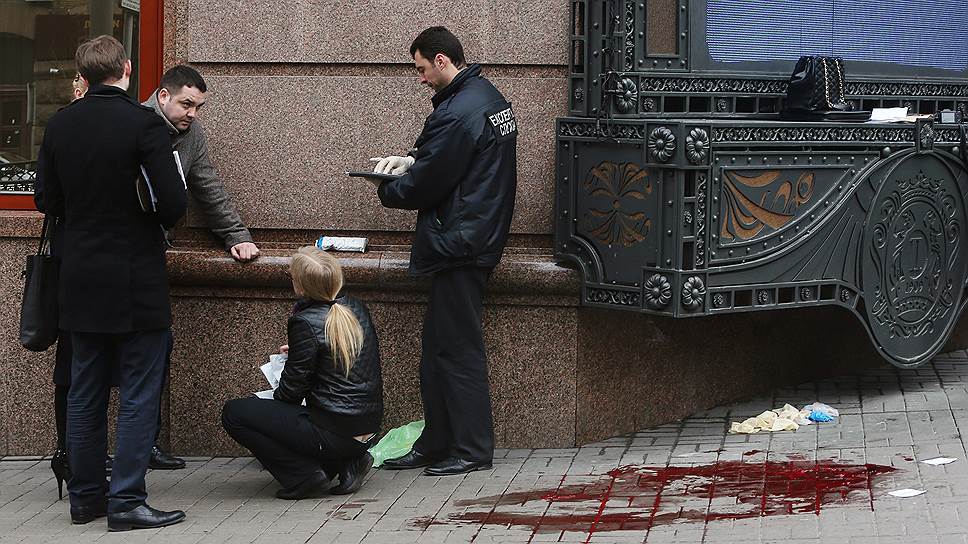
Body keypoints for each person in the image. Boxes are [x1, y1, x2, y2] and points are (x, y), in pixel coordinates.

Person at [34, 35, 188, 530]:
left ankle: (85, 499)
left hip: (79, 275)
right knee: (139, 390)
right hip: (135, 276)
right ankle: (126, 501)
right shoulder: (145, 125)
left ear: (83, 75)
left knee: (85, 390)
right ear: (126, 68)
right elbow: (173, 204)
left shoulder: (61, 124)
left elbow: (45, 200)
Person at [369, 27, 517, 476]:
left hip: (460, 242)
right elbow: (454, 161)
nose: (421, 79)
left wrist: (387, 186)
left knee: (456, 351)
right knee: (439, 349)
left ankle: (471, 449)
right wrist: (415, 160)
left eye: (421, 69)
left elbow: (430, 181)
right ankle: (436, 442)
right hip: (472, 237)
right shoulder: (488, 97)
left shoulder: (457, 111)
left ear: (441, 60)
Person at [221, 246, 383, 499]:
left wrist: (291, 366)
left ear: (302, 287)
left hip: (335, 432)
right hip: (367, 428)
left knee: (235, 412)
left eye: (291, 277)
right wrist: (302, 353)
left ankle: (304, 476)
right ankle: (348, 460)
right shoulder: (355, 306)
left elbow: (291, 393)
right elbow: (339, 357)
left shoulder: (304, 321)